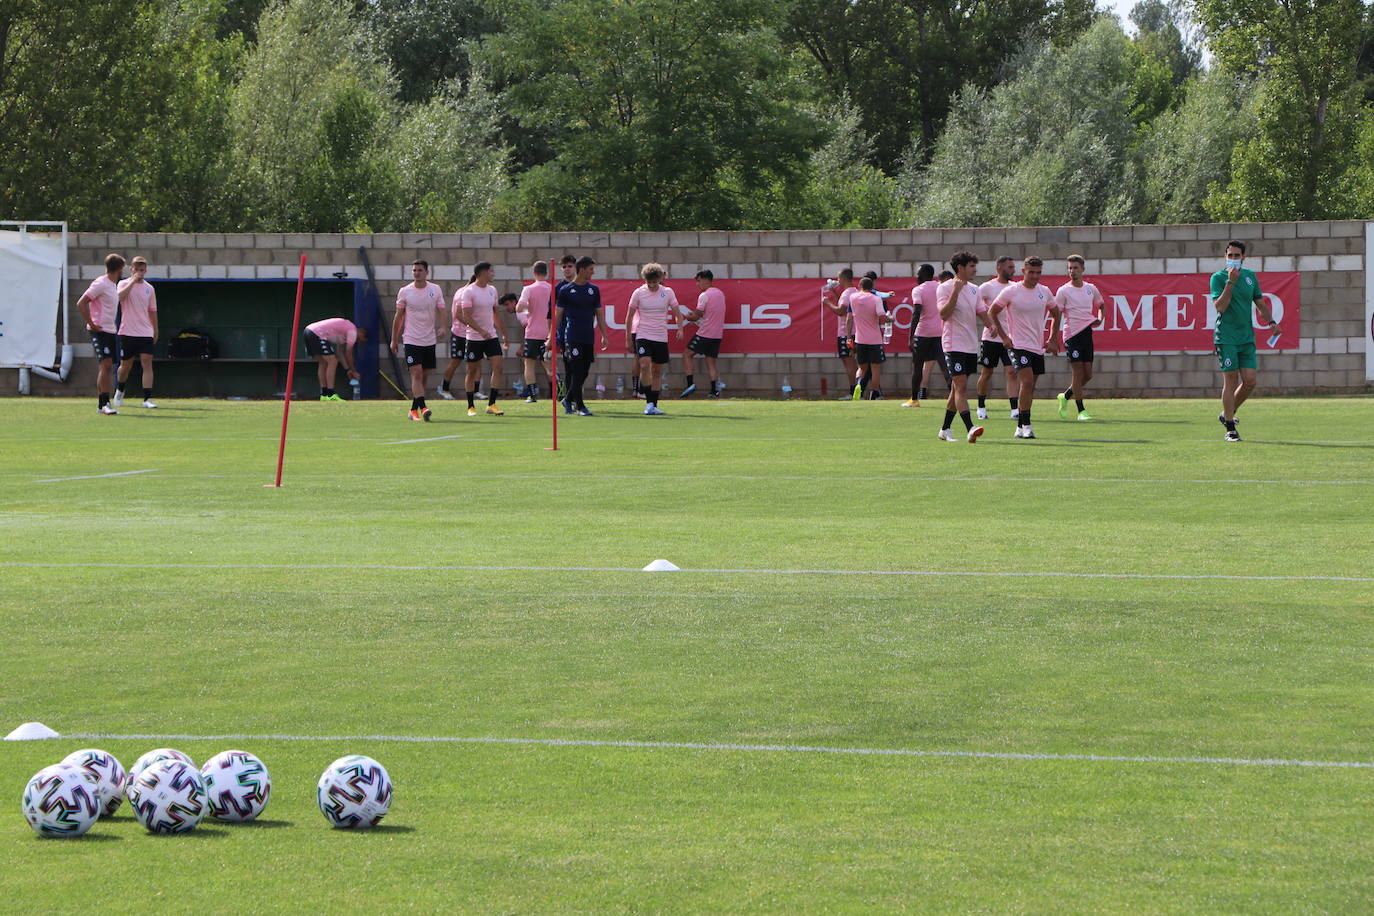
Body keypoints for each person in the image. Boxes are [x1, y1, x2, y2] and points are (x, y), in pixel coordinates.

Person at [1211, 239, 1278, 442]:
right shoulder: (1218, 278)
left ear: (1243, 257)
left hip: (1246, 337)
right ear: (1225, 256)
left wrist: (1272, 322)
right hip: (1226, 337)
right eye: (1229, 255)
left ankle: (1226, 414)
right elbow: (1220, 307)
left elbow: (1259, 302)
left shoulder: (1250, 277)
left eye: (1236, 256)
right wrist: (1230, 282)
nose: (1233, 259)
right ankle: (1230, 428)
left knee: (1250, 381)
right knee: (1230, 380)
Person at [989, 256, 1060, 439]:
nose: (1035, 276)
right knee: (1026, 382)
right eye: (1031, 272)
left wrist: (1052, 338)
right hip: (1017, 344)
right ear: (1023, 271)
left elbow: (1056, 313)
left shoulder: (1044, 291)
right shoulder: (1012, 291)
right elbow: (992, 312)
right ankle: (1027, 425)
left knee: (1030, 387)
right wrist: (1004, 337)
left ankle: (1020, 426)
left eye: (1038, 273)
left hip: (1037, 346)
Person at [935, 251, 987, 443]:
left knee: (957, 390)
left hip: (970, 345)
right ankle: (970, 428)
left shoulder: (975, 289)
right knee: (961, 387)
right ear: (960, 268)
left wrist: (993, 327)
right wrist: (956, 291)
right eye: (972, 266)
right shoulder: (944, 288)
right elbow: (943, 314)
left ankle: (945, 429)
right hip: (953, 344)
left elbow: (982, 311)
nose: (975, 270)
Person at [548, 256, 610, 416]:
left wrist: (604, 334)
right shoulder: (566, 290)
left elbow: (599, 314)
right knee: (575, 370)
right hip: (572, 336)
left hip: (587, 336)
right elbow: (558, 316)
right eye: (591, 269)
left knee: (584, 371)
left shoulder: (593, 290)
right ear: (582, 270)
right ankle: (580, 406)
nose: (593, 272)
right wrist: (551, 337)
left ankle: (568, 399)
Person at [391, 259, 446, 421]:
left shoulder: (435, 289)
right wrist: (394, 339)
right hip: (411, 339)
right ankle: (424, 408)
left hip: (429, 340)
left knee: (424, 376)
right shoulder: (405, 291)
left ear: (427, 272)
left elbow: (442, 310)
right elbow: (398, 316)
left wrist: (443, 326)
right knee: (416, 374)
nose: (417, 273)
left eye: (420, 270)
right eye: (414, 270)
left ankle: (413, 410)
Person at [624, 263, 682, 415]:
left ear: (660, 279)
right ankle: (648, 402)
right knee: (644, 365)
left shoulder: (668, 292)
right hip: (643, 334)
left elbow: (677, 312)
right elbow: (629, 317)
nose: (651, 285)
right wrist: (628, 338)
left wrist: (680, 328)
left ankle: (653, 404)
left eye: (654, 282)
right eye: (648, 282)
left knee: (656, 370)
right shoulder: (638, 293)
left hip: (660, 336)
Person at [1053, 255, 1105, 421]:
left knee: (1088, 374)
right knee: (1078, 372)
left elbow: (1101, 305)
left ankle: (1066, 396)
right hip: (1072, 335)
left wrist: (1099, 318)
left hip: (1087, 333)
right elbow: (1056, 314)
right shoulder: (1063, 291)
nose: (1072, 271)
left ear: (1082, 269)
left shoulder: (1090, 288)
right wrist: (1053, 337)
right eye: (1069, 268)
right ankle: (1081, 411)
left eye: (1075, 268)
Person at [458, 261, 508, 417]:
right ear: (483, 272)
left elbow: (496, 313)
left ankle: (491, 404)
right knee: (472, 371)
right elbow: (465, 316)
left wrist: (504, 333)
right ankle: (470, 406)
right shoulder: (469, 291)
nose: (493, 274)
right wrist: (480, 331)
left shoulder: (492, 290)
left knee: (498, 367)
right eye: (491, 271)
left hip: (491, 336)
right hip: (474, 338)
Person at [77, 253, 124, 414]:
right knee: (106, 365)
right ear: (119, 268)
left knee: (106, 366)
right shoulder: (101, 283)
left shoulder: (113, 285)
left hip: (110, 330)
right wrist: (91, 323)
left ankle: (100, 405)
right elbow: (81, 303)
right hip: (99, 331)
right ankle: (105, 404)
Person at [975, 256, 1019, 421]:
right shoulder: (987, 287)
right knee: (987, 372)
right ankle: (981, 406)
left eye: (1013, 267)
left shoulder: (1015, 287)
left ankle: (1015, 409)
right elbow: (976, 305)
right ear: (999, 268)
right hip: (990, 339)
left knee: (1012, 372)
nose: (1012, 270)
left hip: (1010, 339)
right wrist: (990, 324)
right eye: (1010, 267)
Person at [112, 256, 158, 409]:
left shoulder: (149, 288)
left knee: (147, 363)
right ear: (131, 269)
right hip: (127, 331)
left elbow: (152, 311)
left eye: (142, 269)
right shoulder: (123, 284)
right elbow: (119, 298)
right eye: (136, 269)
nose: (139, 272)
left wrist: (155, 330)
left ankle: (147, 399)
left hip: (145, 332)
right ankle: (120, 390)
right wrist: (132, 281)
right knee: (125, 366)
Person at [680, 269, 726, 398]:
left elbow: (697, 315)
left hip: (705, 333)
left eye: (698, 281)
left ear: (706, 280)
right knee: (710, 362)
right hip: (717, 335)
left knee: (687, 354)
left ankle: (690, 385)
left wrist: (689, 317)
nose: (697, 284)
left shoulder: (704, 295)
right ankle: (714, 391)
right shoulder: (720, 293)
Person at [904, 263, 945, 408]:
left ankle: (914, 400)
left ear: (922, 274)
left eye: (918, 273)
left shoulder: (918, 290)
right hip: (940, 333)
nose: (916, 276)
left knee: (918, 366)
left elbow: (916, 313)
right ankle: (957, 398)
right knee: (945, 367)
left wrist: (910, 336)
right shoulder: (941, 287)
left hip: (923, 334)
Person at [847, 276, 892, 400]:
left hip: (860, 340)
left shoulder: (853, 298)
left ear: (860, 286)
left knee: (861, 368)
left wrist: (849, 337)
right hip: (874, 340)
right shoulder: (876, 299)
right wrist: (891, 319)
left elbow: (849, 318)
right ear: (872, 287)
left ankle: (859, 385)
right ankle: (875, 393)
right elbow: (882, 317)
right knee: (875, 369)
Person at [516, 260, 554, 403]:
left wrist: (527, 309)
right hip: (548, 333)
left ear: (534, 272)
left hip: (532, 332)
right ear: (547, 273)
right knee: (549, 365)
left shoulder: (529, 289)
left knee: (529, 364)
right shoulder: (552, 288)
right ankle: (559, 393)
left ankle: (532, 395)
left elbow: (519, 308)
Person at [303, 317, 366, 400]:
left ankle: (324, 395)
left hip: (308, 331)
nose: (359, 342)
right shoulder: (352, 331)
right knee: (333, 361)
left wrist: (348, 370)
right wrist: (354, 371)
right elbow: (348, 354)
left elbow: (340, 353)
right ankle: (331, 394)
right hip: (317, 334)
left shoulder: (345, 332)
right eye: (361, 340)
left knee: (324, 363)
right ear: (361, 334)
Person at [822, 268, 858, 397]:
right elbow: (843, 306)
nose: (837, 280)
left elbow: (840, 311)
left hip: (845, 333)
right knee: (854, 364)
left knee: (849, 365)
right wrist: (833, 293)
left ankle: (853, 392)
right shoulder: (854, 291)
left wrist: (827, 303)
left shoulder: (847, 293)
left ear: (843, 278)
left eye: (838, 278)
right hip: (854, 332)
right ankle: (858, 391)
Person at [438, 284, 467, 401]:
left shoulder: (484, 292)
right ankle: (444, 388)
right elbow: (457, 314)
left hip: (474, 334)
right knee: (456, 361)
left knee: (476, 361)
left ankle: (476, 391)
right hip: (460, 333)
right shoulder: (462, 292)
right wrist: (474, 325)